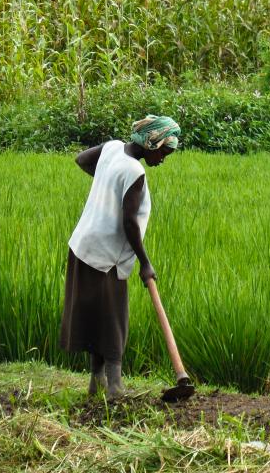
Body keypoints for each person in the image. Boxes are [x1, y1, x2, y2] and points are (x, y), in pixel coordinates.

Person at [59, 115, 181, 400]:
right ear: (151, 142)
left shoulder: (112, 149)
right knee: (114, 319)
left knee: (96, 317)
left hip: (82, 245)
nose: (163, 158)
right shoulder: (134, 173)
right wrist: (145, 262)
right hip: (106, 256)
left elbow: (81, 159)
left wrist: (106, 181)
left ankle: (96, 382)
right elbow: (129, 223)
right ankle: (114, 387)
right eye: (163, 151)